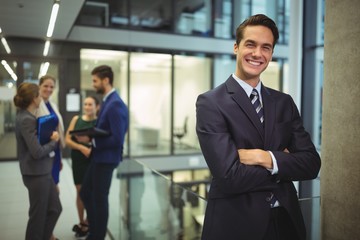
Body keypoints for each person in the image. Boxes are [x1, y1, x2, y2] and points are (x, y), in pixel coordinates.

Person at [195, 14, 321, 240]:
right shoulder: (211, 102)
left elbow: (311, 164)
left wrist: (264, 158)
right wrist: (283, 164)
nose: (257, 54)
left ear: (271, 54)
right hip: (236, 225)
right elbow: (229, 177)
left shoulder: (284, 103)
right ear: (236, 47)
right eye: (250, 44)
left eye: (266, 47)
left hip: (286, 222)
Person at [77, 65, 129, 240]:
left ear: (106, 80)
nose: (93, 84)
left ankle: (97, 235)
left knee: (100, 199)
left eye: (95, 81)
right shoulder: (107, 100)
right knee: (85, 192)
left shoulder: (115, 104)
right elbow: (105, 130)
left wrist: (91, 140)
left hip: (106, 159)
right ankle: (95, 230)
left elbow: (117, 139)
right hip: (99, 157)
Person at [13, 82, 62, 240]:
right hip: (36, 174)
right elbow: (37, 152)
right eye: (39, 95)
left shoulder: (27, 116)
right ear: (34, 99)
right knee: (37, 217)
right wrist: (53, 142)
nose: (42, 96)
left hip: (42, 171)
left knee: (55, 209)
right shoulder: (26, 119)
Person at [65, 96, 99, 238]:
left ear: (97, 106)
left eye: (90, 104)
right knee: (80, 192)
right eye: (85, 104)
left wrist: (90, 149)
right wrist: (81, 147)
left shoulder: (99, 122)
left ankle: (90, 221)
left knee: (92, 192)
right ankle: (82, 222)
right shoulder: (76, 119)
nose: (87, 107)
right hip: (79, 159)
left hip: (94, 159)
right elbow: (67, 139)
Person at [37, 75, 66, 188]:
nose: (49, 89)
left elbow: (58, 127)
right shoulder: (36, 105)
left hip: (55, 148)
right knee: (48, 187)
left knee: (55, 182)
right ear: (39, 86)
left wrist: (60, 157)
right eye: (45, 86)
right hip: (44, 150)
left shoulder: (52, 104)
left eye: (51, 87)